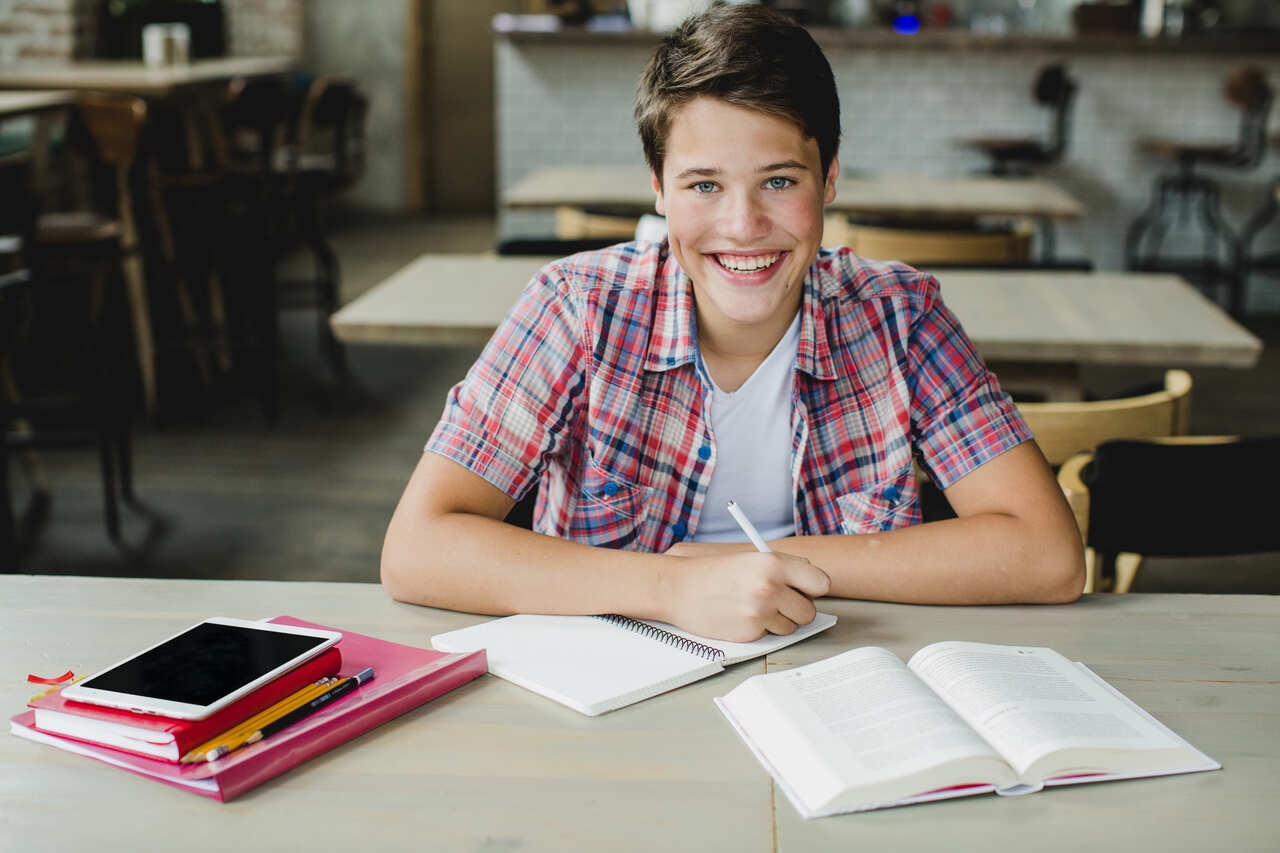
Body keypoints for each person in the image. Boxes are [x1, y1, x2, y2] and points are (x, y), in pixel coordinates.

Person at [382, 5, 1084, 642]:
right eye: (704, 185)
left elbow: (1047, 557)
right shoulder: (578, 307)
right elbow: (417, 549)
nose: (743, 227)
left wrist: (755, 566)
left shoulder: (898, 317)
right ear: (658, 188)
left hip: (836, 683)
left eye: (779, 180)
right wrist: (673, 586)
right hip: (614, 695)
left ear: (829, 178)